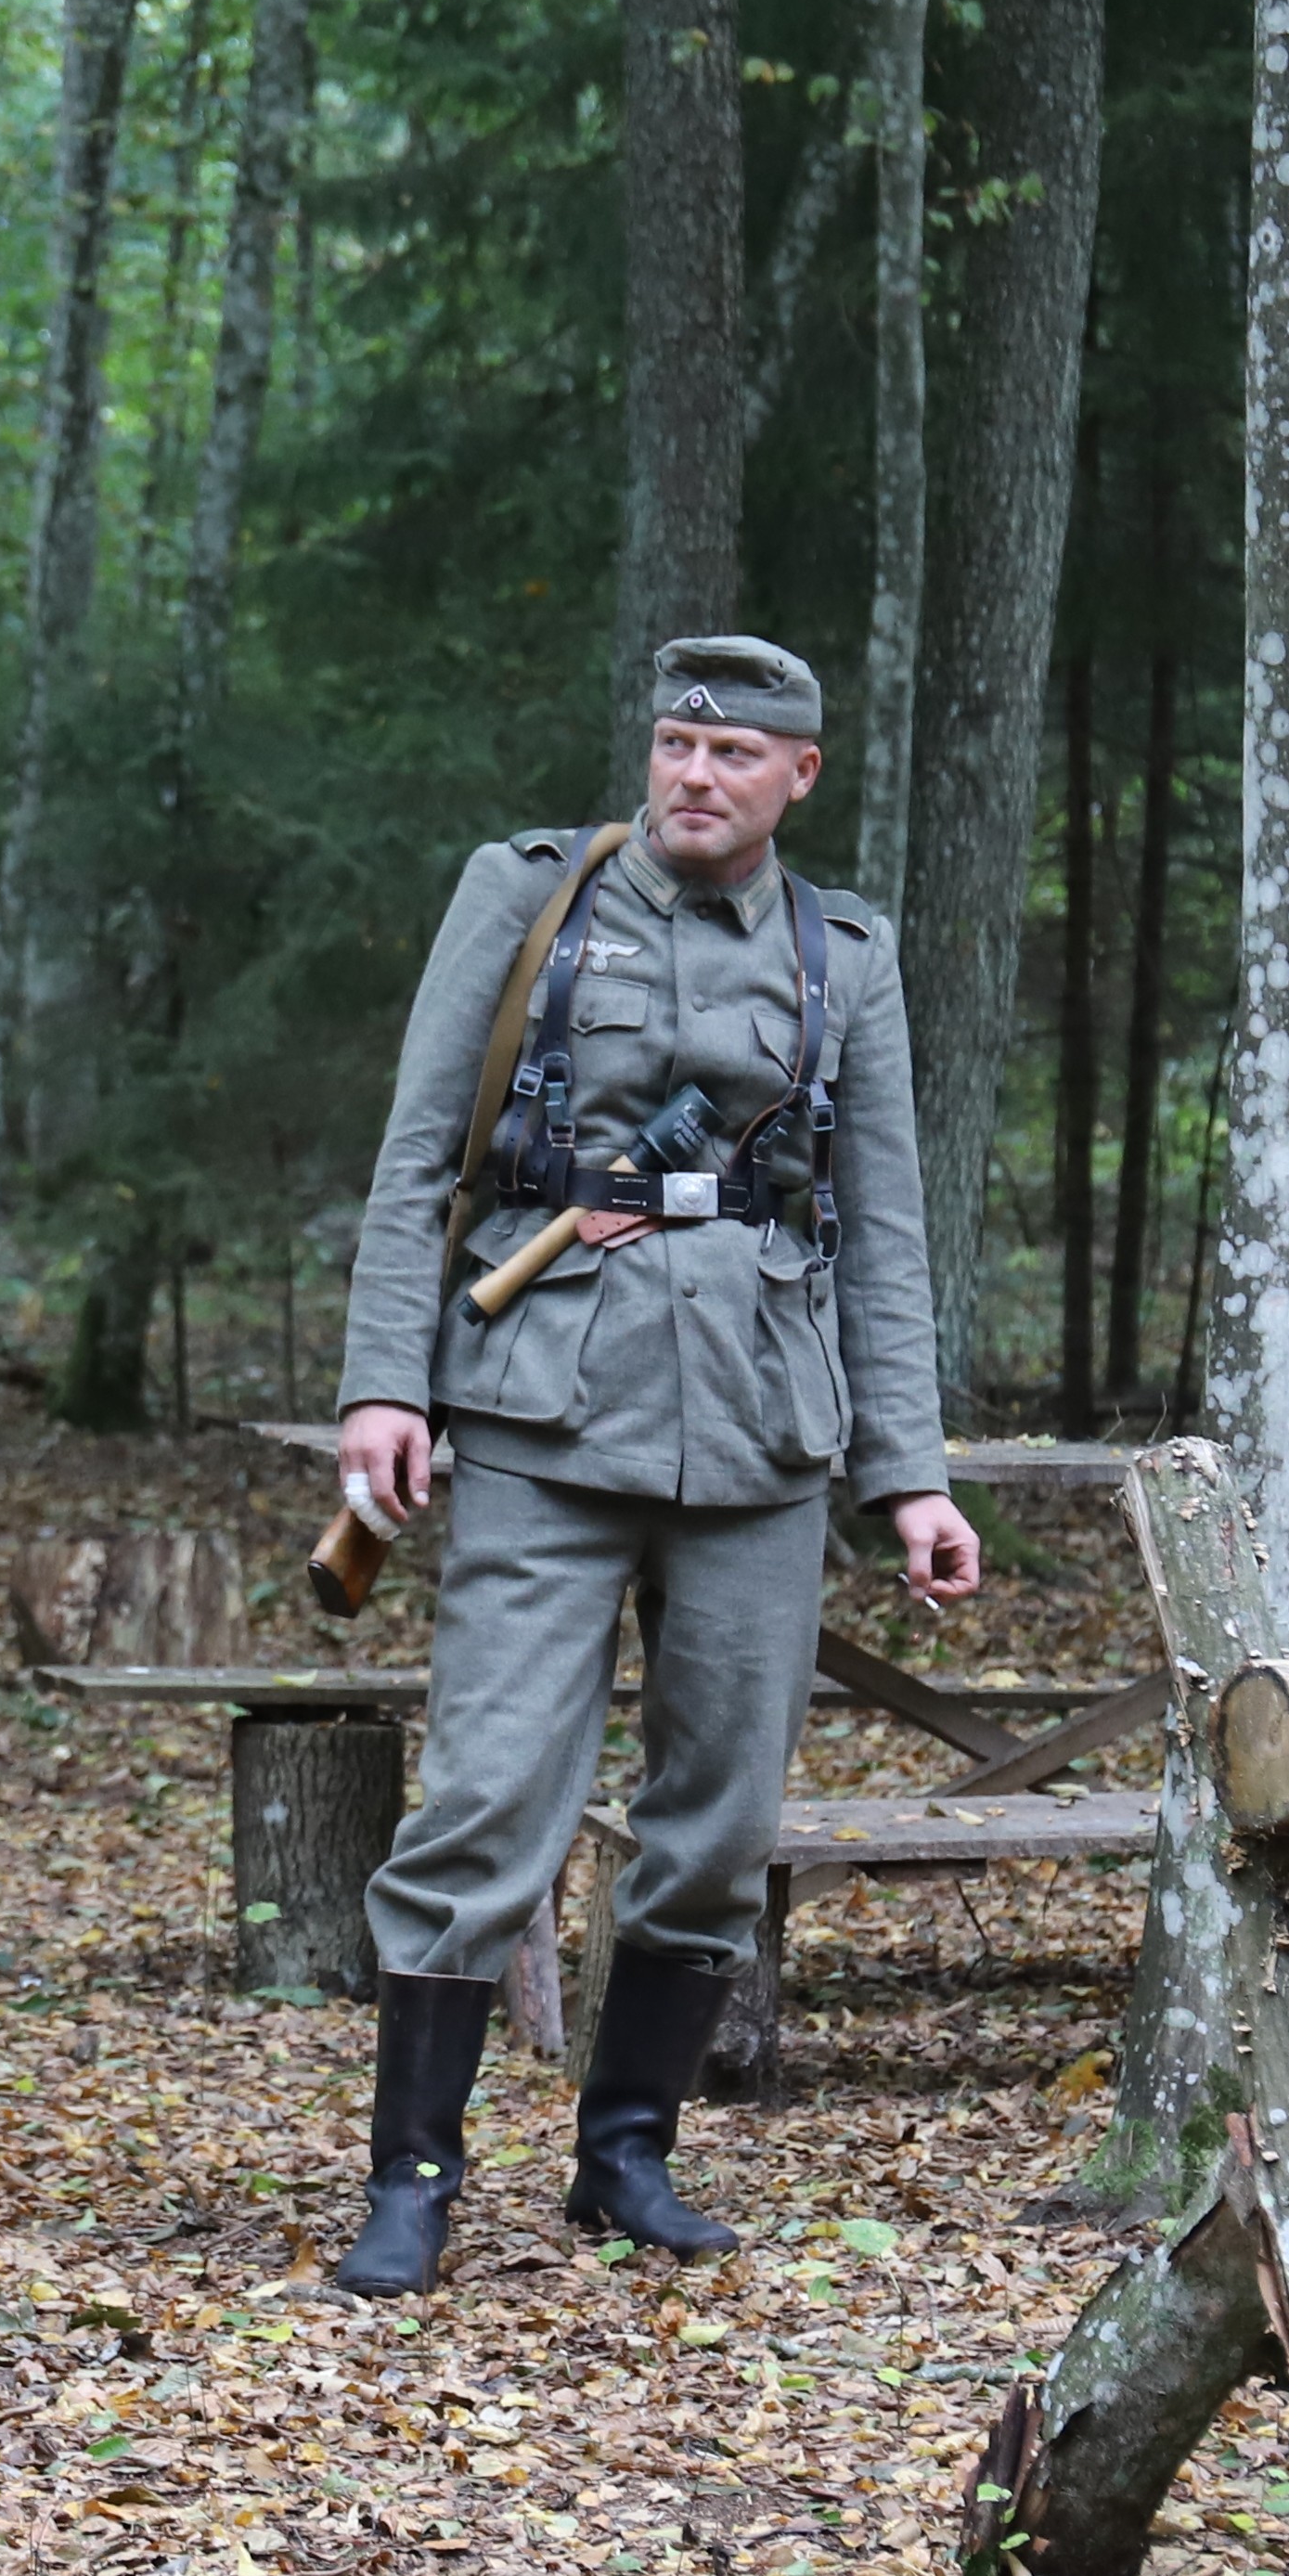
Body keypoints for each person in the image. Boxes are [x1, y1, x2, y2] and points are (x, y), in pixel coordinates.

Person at [322, 634, 974, 2299]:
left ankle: (628, 2160)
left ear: (797, 776)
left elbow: (881, 1228)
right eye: (678, 741)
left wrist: (911, 1476)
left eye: (734, 754)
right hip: (544, 1411)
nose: (696, 774)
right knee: (484, 1798)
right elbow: (417, 1159)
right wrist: (382, 1388)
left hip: (763, 1431)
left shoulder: (847, 954)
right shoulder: (529, 895)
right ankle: (413, 2176)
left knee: (719, 1819)